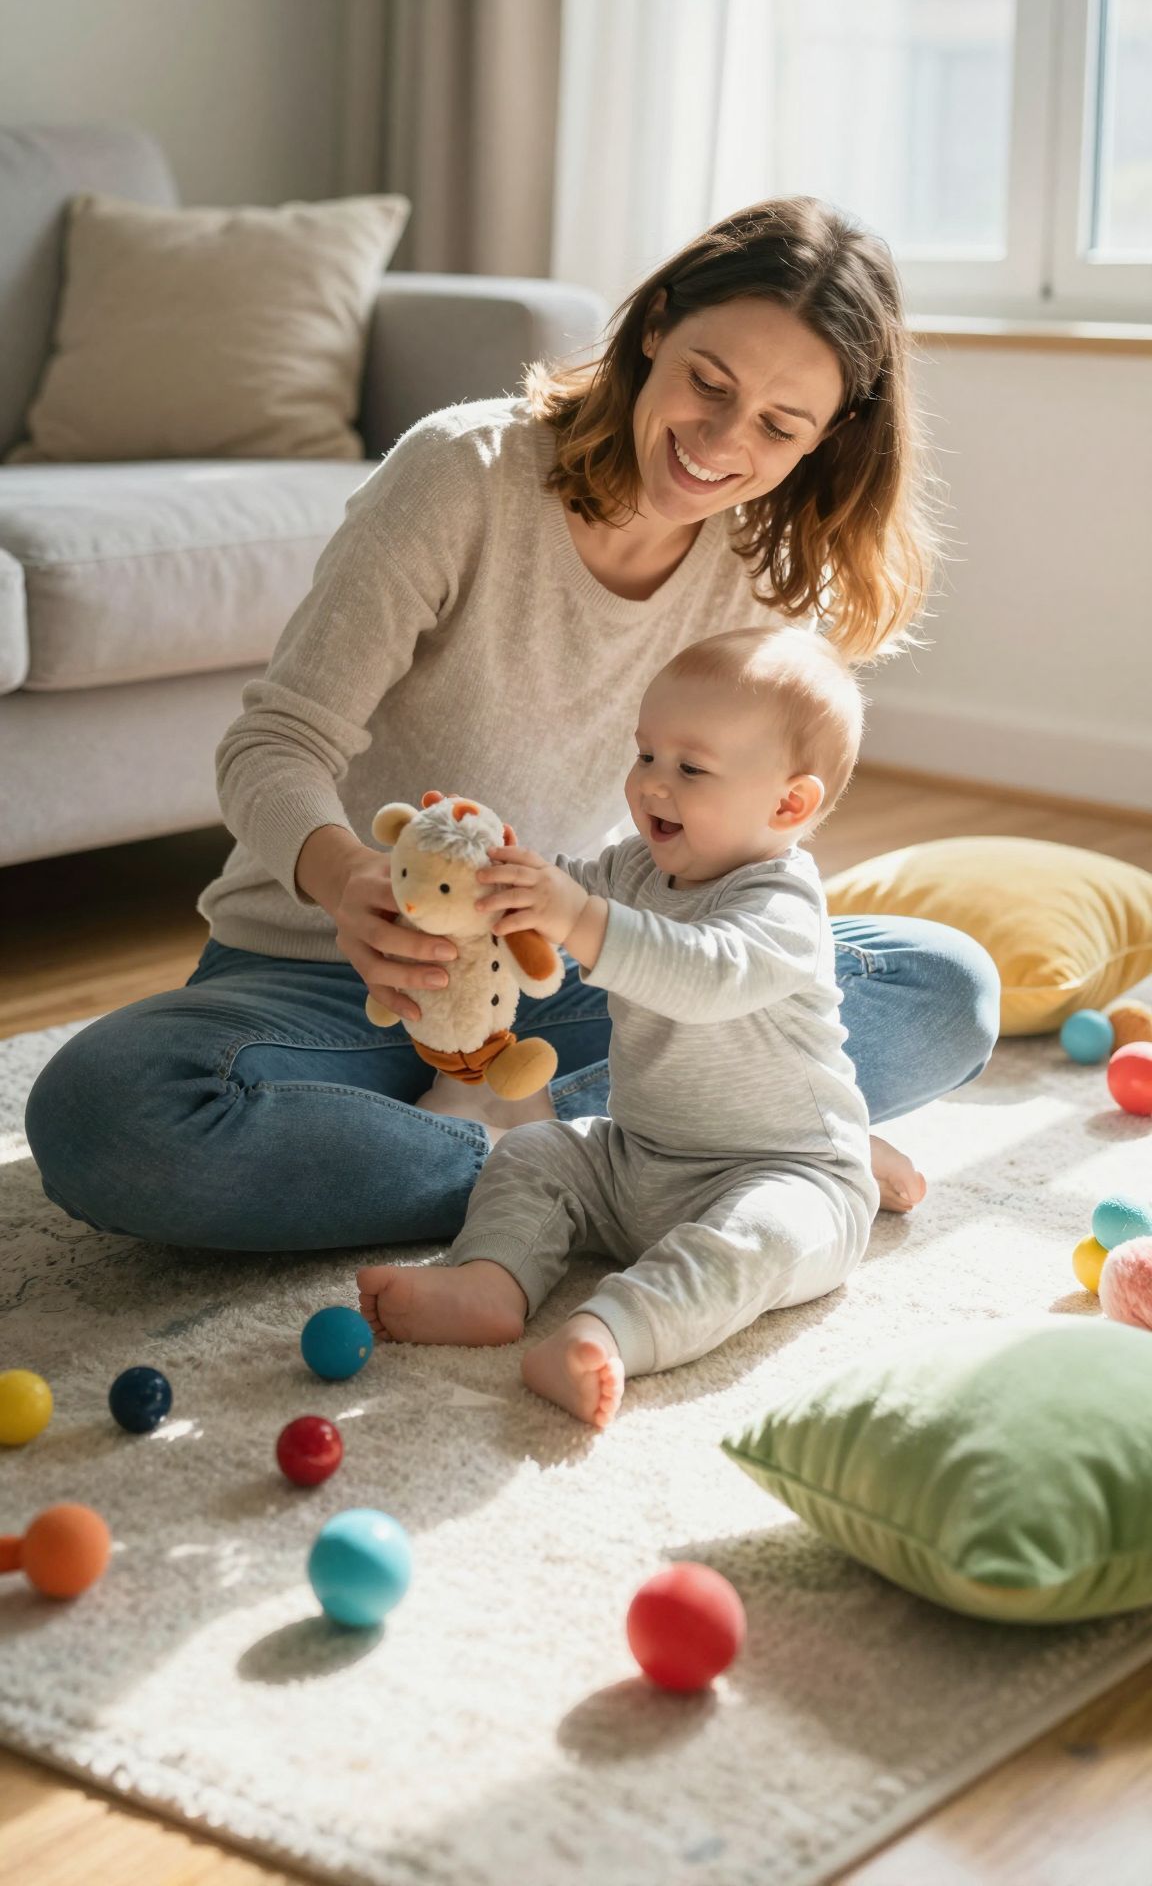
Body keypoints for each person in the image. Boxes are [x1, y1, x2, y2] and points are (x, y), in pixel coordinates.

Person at [24, 196, 999, 1252]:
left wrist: (654, 941)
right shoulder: (464, 474)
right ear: (656, 326)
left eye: (778, 425)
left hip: (575, 967)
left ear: (831, 434)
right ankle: (579, 1165)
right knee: (103, 1114)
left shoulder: (764, 575)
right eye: (708, 384)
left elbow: (740, 855)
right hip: (327, 978)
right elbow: (274, 743)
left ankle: (543, 1157)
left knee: (944, 984)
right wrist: (348, 878)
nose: (722, 442)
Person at [356, 628, 880, 1431]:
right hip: (636, 1159)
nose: (651, 785)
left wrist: (578, 916)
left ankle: (608, 1333)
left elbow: (704, 973)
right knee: (534, 1151)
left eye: (690, 768)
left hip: (785, 1170)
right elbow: (565, 893)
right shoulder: (636, 866)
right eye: (645, 755)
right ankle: (490, 1282)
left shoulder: (783, 904)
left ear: (789, 804)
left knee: (757, 1240)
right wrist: (493, 883)